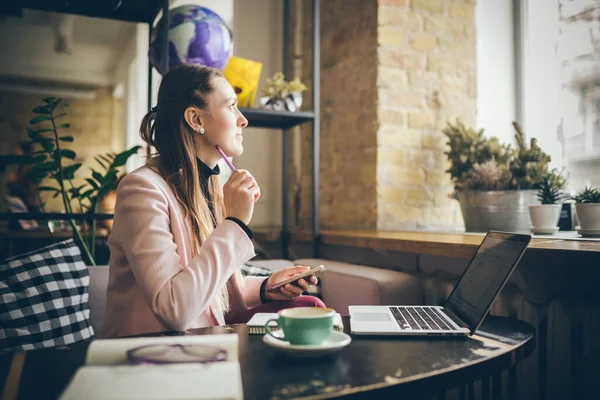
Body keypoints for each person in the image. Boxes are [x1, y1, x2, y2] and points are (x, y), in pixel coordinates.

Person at [101, 64, 324, 338]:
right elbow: (174, 308)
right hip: (149, 353)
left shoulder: (212, 188)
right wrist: (235, 223)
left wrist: (266, 286)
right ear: (196, 119)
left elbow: (210, 289)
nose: (243, 120)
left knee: (310, 306)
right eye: (231, 106)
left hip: (202, 344)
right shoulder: (142, 189)